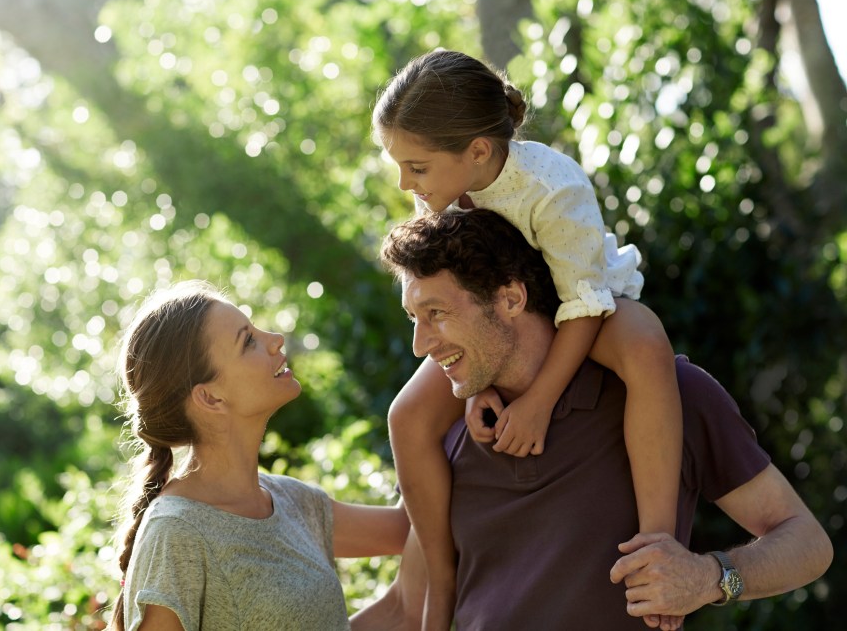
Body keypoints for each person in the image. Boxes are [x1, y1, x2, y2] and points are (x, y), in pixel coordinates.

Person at [351, 208, 832, 629]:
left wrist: (710, 578)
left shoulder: (671, 394)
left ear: (511, 298)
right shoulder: (450, 436)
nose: (420, 345)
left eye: (436, 312)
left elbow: (807, 542)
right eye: (414, 318)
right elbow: (407, 607)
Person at [372, 49, 684, 629]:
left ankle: (656, 548)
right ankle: (440, 585)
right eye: (399, 166)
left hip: (579, 302)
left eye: (415, 167)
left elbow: (583, 304)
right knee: (407, 415)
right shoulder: (438, 190)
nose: (404, 182)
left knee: (645, 344)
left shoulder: (552, 186)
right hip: (501, 317)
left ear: (478, 151)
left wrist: (537, 402)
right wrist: (475, 386)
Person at [108, 280, 409, 631]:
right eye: (248, 340)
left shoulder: (292, 501)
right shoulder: (175, 533)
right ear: (210, 397)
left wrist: (454, 364)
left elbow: (411, 529)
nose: (275, 339)